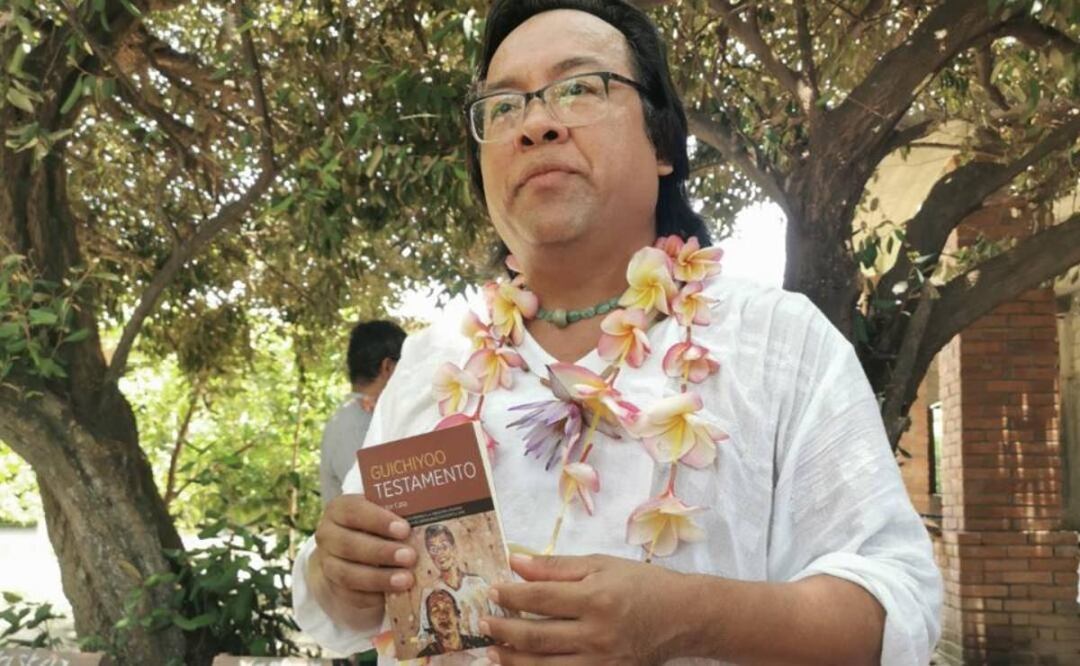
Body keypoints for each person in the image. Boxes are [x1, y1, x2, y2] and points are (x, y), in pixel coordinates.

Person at [293, 1, 942, 664]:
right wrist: (338, 575)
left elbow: (902, 608)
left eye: (578, 88)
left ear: (662, 144)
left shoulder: (780, 343)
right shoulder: (437, 360)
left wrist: (689, 617)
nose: (536, 124)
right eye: (503, 106)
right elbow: (337, 614)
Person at [319, 320, 406, 506]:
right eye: (406, 365)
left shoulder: (362, 418)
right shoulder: (357, 424)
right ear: (388, 367)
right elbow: (385, 501)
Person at [417, 524, 502, 640]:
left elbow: (499, 619)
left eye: (444, 546)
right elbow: (424, 635)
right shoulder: (430, 594)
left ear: (454, 548)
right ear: (430, 555)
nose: (440, 553)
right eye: (433, 549)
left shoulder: (478, 584)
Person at [417, 590, 491, 657]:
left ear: (457, 615)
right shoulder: (425, 657)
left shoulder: (480, 645)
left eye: (447, 607)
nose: (443, 615)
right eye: (435, 610)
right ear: (430, 622)